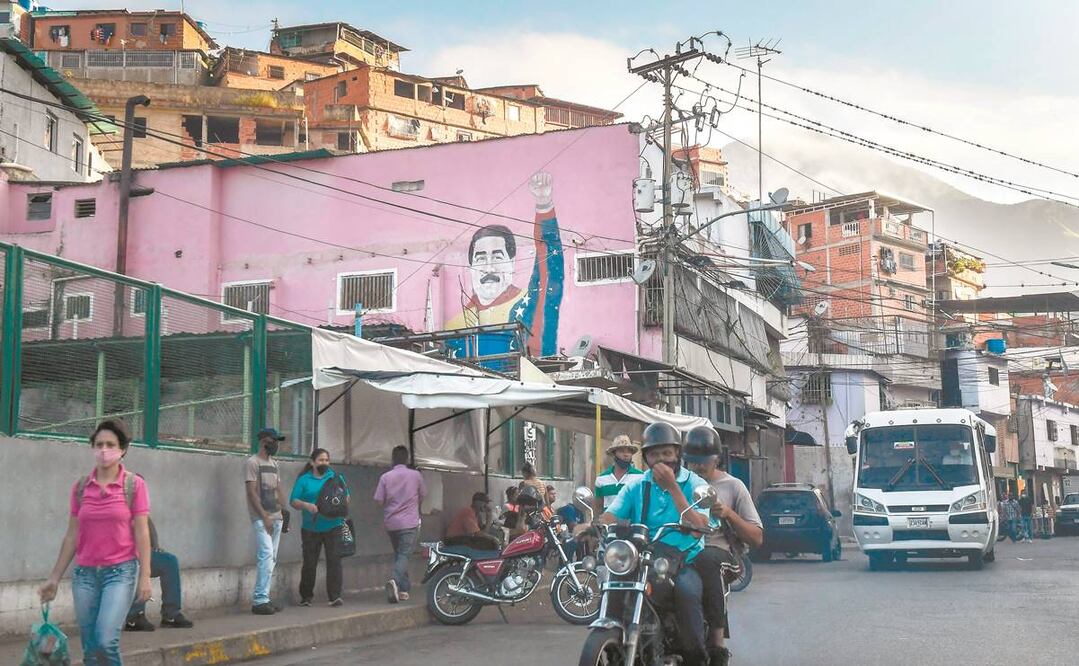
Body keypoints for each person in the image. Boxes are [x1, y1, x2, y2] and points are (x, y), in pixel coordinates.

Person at [40, 419, 152, 665]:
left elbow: (142, 532)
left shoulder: (134, 485)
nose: (104, 450)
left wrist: (145, 576)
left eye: (110, 444)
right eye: (99, 444)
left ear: (122, 449)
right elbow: (71, 536)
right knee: (90, 648)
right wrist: (54, 577)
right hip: (85, 575)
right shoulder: (81, 487)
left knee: (105, 641)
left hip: (120, 572)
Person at [598, 422, 711, 666]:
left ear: (677, 454)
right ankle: (613, 646)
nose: (661, 460)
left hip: (684, 558)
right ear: (646, 458)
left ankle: (696, 659)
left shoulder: (694, 483)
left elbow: (701, 523)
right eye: (654, 454)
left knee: (687, 593)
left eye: (667, 453)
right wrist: (594, 524)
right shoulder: (637, 484)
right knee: (614, 586)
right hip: (642, 556)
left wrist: (672, 487)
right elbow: (613, 513)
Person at [445, 171, 565, 358]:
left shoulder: (530, 305)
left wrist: (544, 206)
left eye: (497, 256)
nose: (489, 267)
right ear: (470, 268)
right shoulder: (455, 325)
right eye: (481, 258)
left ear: (512, 263)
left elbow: (548, 259)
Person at [683, 426, 763, 666]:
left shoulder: (733, 486)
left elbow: (757, 537)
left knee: (707, 559)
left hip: (719, 554)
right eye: (692, 462)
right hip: (680, 551)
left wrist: (728, 513)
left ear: (717, 458)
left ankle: (717, 644)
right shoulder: (678, 484)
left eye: (703, 462)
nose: (697, 467)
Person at [290, 448, 348, 607]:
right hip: (311, 528)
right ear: (312, 462)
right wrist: (306, 505)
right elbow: (293, 500)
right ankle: (306, 596)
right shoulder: (304, 480)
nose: (324, 463)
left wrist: (336, 505)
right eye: (321, 460)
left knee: (334, 561)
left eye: (327, 460)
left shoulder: (336, 478)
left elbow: (346, 498)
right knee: (309, 563)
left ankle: (335, 596)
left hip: (333, 526)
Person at [373, 445, 426, 604]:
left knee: (399, 554)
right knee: (404, 555)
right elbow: (423, 495)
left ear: (392, 459)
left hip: (391, 523)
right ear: (407, 459)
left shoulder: (385, 477)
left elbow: (379, 501)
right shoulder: (416, 475)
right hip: (410, 522)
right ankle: (394, 581)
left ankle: (403, 590)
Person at [245, 428, 288, 615]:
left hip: (276, 516)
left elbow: (279, 488)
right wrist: (264, 516)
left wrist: (284, 512)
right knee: (266, 554)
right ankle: (260, 600)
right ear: (264, 441)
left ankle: (265, 597)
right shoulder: (252, 463)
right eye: (274, 440)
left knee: (272, 558)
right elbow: (251, 492)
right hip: (262, 518)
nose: (276, 444)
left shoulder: (275, 464)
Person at [124, 517, 194, 631]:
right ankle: (134, 617)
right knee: (137, 562)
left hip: (138, 551)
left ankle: (171, 615)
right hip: (118, 556)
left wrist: (154, 546)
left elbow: (146, 522)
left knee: (169, 561)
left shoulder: (133, 500)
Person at [594, 435, 644, 514]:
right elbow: (598, 509)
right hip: (609, 525)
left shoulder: (640, 477)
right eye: (621, 451)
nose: (626, 454)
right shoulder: (601, 479)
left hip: (633, 525)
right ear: (614, 454)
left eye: (629, 451)